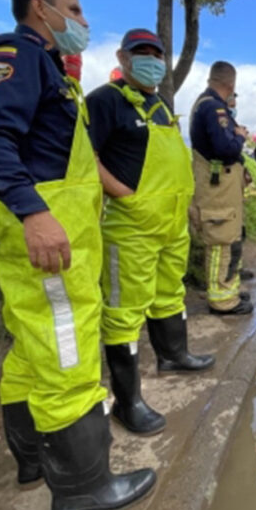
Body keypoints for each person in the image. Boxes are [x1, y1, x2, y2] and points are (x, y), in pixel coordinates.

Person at [0, 0, 154, 510]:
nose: (83, 23)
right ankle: (84, 485)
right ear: (42, 9)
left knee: (32, 348)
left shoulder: (47, 68)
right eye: (77, 10)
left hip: (46, 242)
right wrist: (34, 212)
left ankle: (34, 460)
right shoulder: (14, 54)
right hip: (46, 241)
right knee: (67, 351)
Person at [86, 28, 215, 436]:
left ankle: (174, 355)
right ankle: (129, 402)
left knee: (168, 293)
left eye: (156, 53)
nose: (151, 60)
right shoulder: (106, 100)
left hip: (171, 226)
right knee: (124, 313)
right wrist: (123, 193)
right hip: (132, 228)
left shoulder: (159, 104)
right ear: (123, 59)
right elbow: (83, 157)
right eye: (140, 53)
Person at [189, 61, 254, 316]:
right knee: (221, 242)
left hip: (223, 189)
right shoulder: (213, 107)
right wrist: (239, 135)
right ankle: (222, 300)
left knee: (229, 239)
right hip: (216, 192)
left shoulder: (205, 104)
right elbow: (226, 149)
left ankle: (229, 290)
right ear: (231, 84)